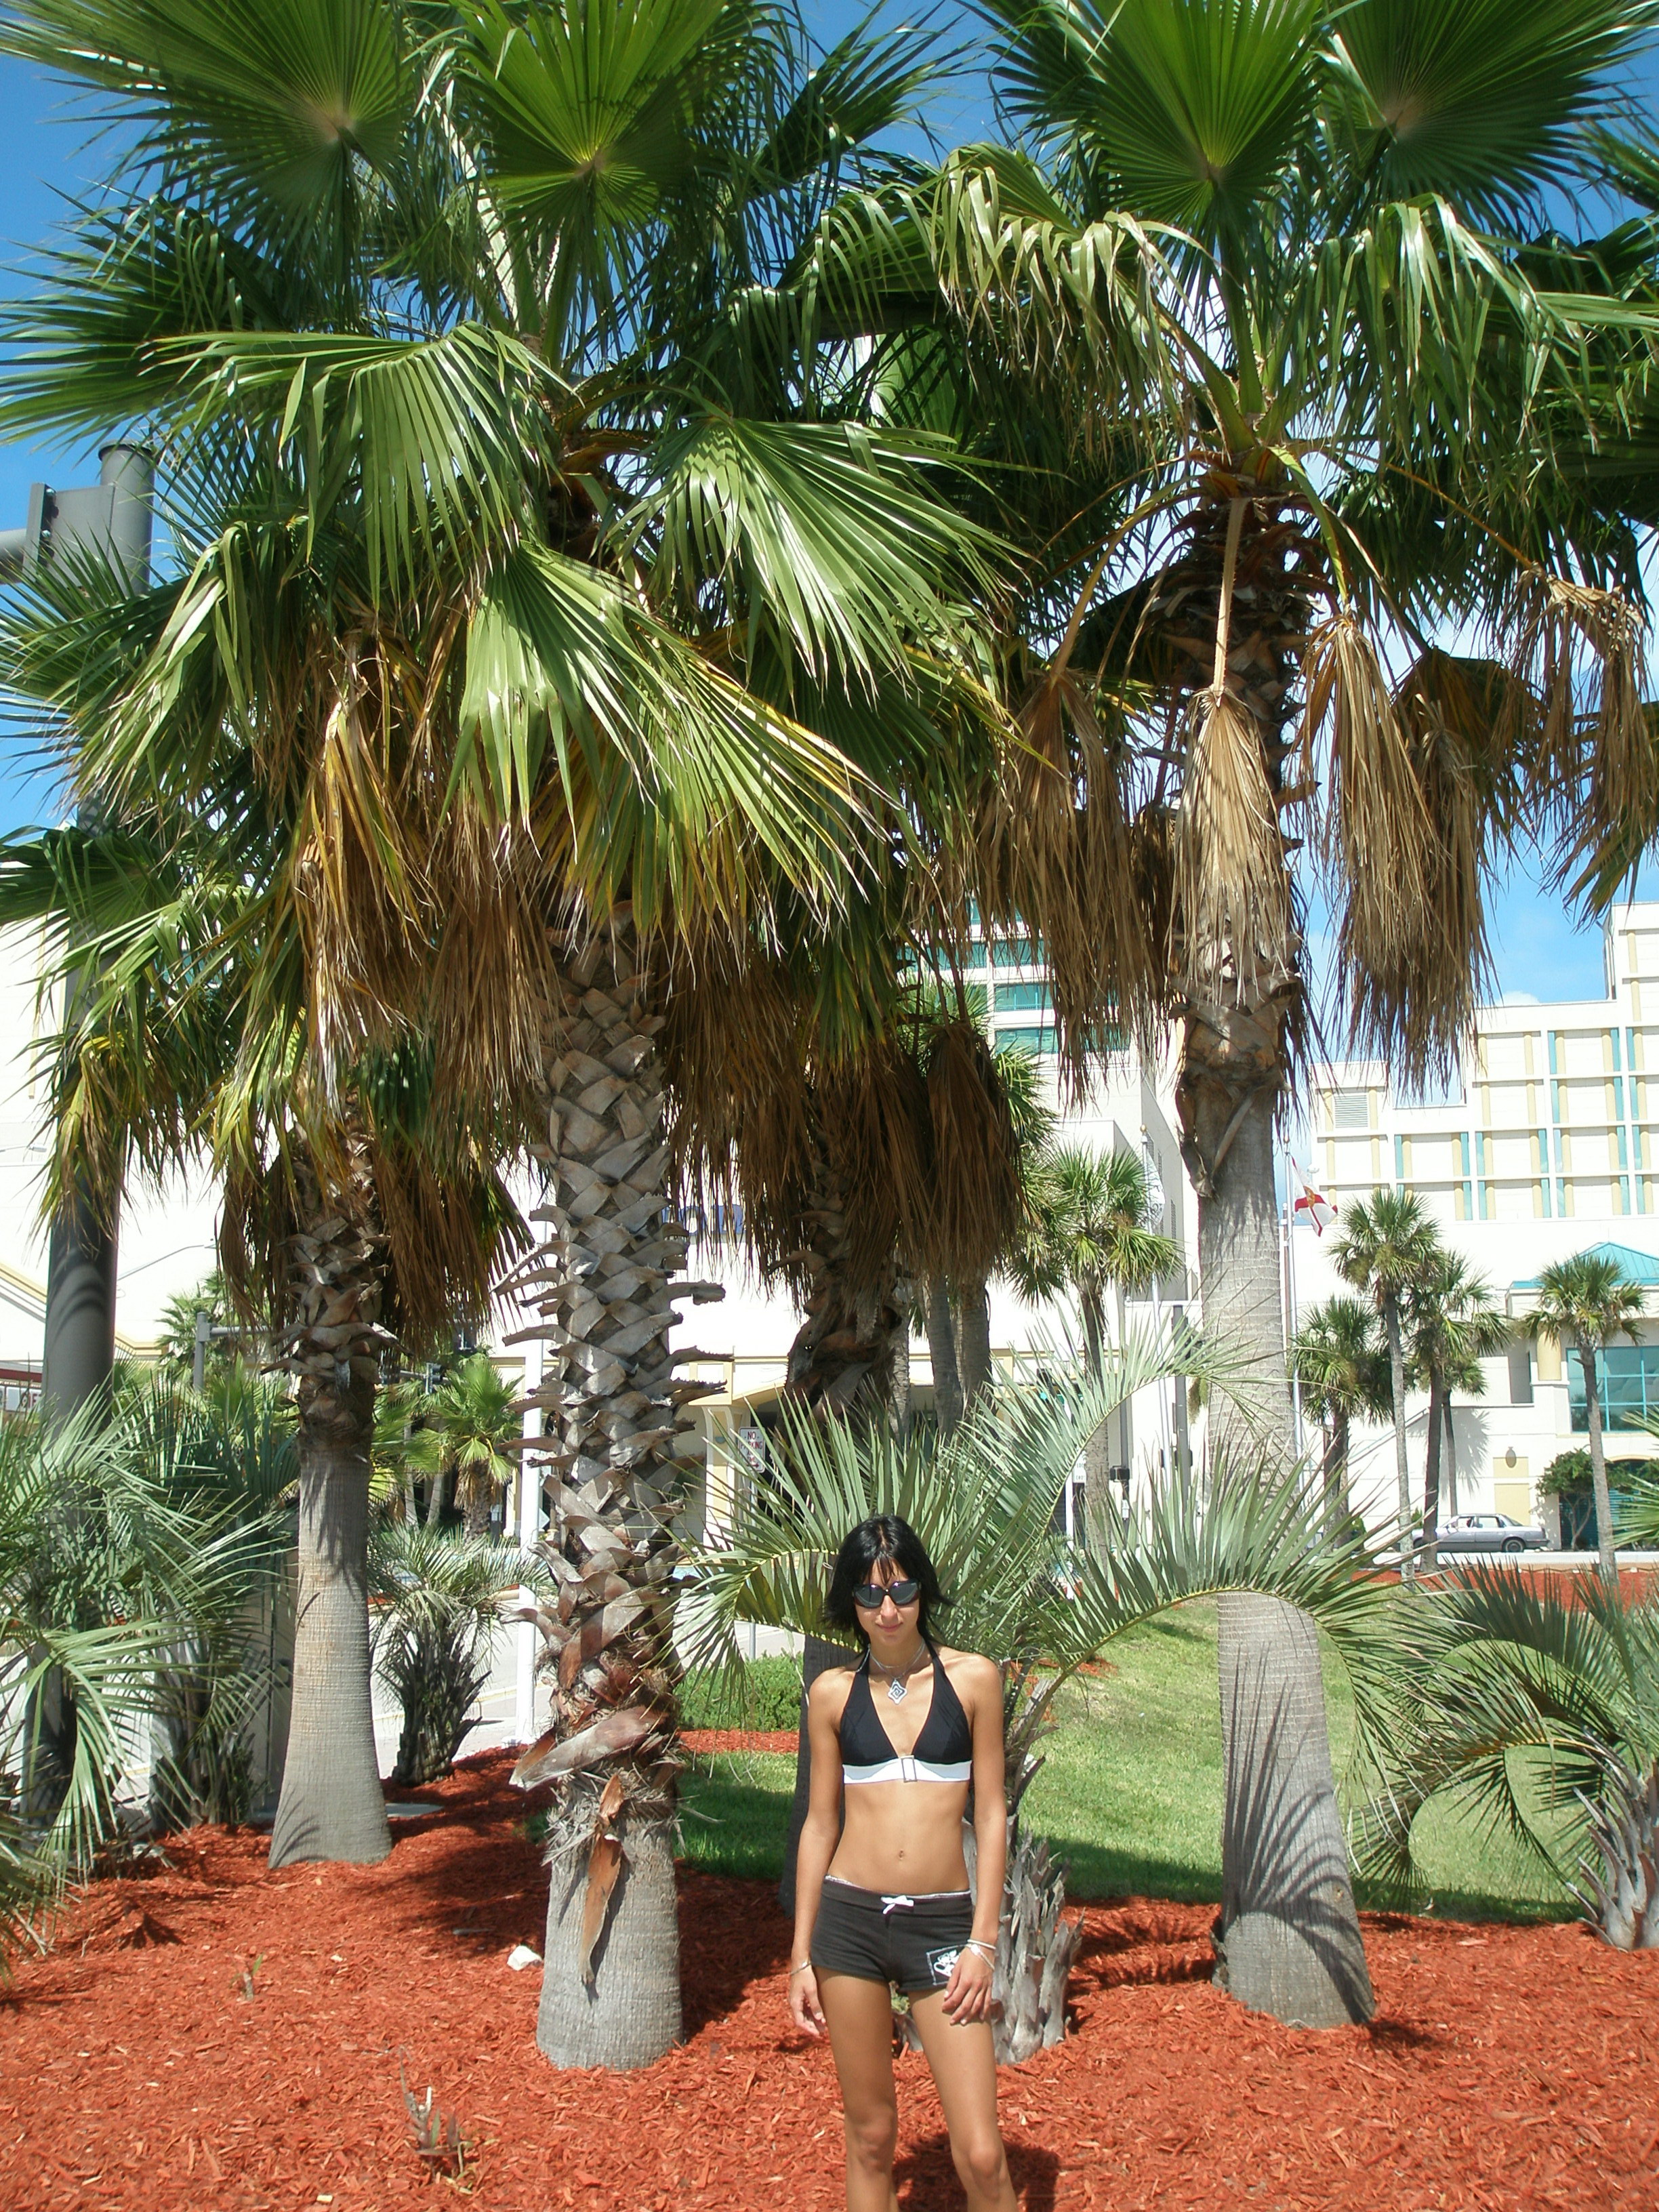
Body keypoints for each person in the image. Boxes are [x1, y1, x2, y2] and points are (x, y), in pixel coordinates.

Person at [788, 1514, 1018, 2212]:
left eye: (901, 1590)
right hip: (849, 1925)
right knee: (870, 2138)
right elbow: (819, 1824)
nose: (887, 1610)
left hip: (942, 1928)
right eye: (869, 1594)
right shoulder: (831, 1694)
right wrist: (800, 1956)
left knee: (982, 2154)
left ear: (923, 1590)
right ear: (850, 1603)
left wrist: (984, 1941)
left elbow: (991, 1815)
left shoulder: (973, 1681)